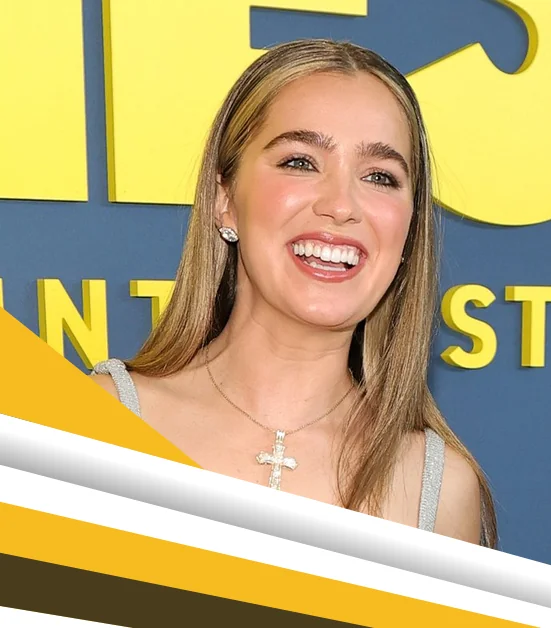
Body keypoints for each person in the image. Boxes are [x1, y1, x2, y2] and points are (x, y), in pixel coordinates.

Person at [90, 39, 497, 547]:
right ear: (224, 198)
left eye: (380, 176)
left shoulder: (437, 490)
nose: (341, 205)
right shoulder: (96, 422)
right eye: (300, 162)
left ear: (410, 225)